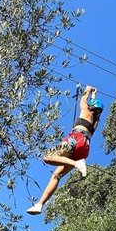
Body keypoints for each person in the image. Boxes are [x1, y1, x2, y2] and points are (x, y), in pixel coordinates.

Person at [26, 85, 103, 215]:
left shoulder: (86, 110)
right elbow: (93, 105)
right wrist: (94, 95)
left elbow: (83, 100)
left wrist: (88, 90)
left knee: (47, 157)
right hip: (84, 149)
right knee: (57, 175)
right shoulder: (95, 122)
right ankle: (39, 204)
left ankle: (77, 164)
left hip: (75, 139)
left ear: (91, 107)